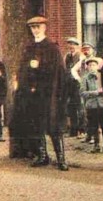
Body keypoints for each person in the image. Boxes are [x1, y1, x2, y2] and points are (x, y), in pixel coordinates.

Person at [17, 16, 70, 171]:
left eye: (38, 27)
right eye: (32, 27)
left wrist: (39, 67)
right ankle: (42, 155)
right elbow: (23, 69)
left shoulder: (52, 47)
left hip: (49, 93)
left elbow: (59, 71)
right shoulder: (29, 47)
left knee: (54, 125)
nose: (35, 30)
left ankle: (61, 158)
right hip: (33, 94)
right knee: (36, 124)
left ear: (44, 28)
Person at [81, 57, 103, 153]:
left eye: (94, 65)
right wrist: (96, 92)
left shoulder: (102, 76)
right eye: (90, 65)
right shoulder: (85, 78)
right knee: (94, 126)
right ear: (87, 67)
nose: (92, 67)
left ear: (97, 66)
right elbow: (83, 93)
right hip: (91, 105)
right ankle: (96, 145)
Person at [64, 37, 84, 138]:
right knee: (71, 106)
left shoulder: (81, 57)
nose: (71, 47)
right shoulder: (67, 56)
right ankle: (73, 130)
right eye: (70, 45)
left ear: (77, 46)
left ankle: (82, 130)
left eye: (73, 45)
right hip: (69, 84)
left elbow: (81, 71)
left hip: (78, 83)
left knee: (80, 106)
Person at [79, 42, 96, 142]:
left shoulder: (97, 60)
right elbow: (80, 73)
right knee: (86, 113)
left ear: (92, 50)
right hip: (85, 89)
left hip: (94, 88)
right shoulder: (83, 61)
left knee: (95, 114)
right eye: (84, 49)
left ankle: (95, 136)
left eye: (88, 49)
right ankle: (88, 135)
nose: (86, 51)